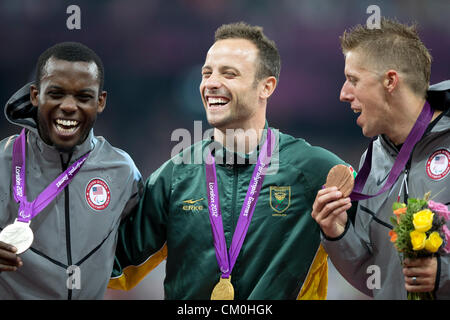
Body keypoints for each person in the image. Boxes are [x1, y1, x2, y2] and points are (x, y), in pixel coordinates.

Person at [109, 22, 350, 300]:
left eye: (229, 74)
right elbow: (114, 266)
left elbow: (378, 246)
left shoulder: (314, 170)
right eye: (207, 73)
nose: (211, 83)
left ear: (266, 87)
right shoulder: (175, 175)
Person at [312, 18, 450, 299]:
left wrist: (444, 275)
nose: (343, 93)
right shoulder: (372, 162)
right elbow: (375, 276)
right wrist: (337, 233)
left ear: (390, 81)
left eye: (353, 80)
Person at [0, 42, 143, 299]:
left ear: (100, 102)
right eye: (56, 94)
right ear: (35, 95)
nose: (68, 106)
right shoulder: (2, 162)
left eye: (83, 97)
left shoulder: (123, 172)